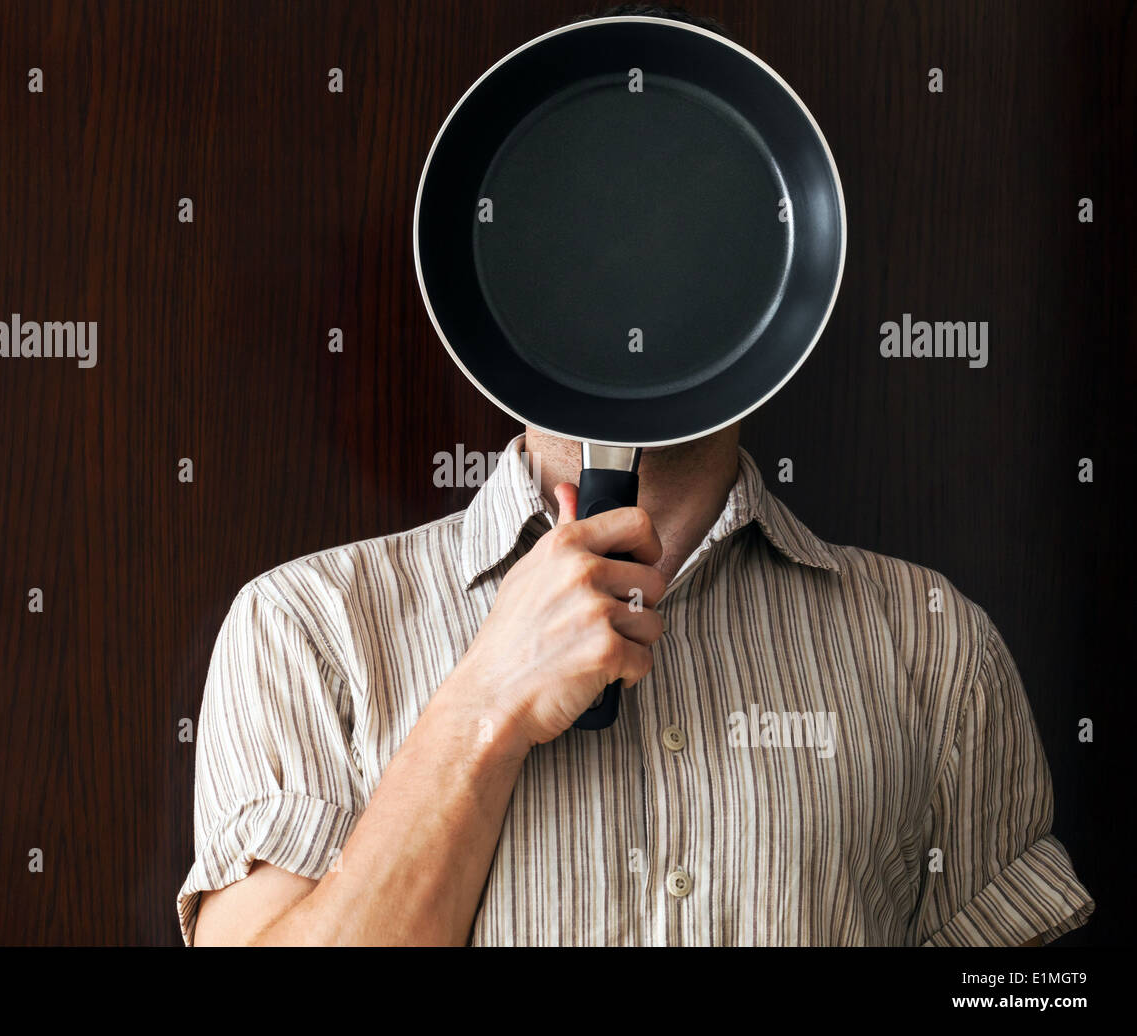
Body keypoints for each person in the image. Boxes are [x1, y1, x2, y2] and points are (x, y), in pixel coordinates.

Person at [176, 5, 1094, 947]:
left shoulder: (930, 646)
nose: (629, 250)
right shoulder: (308, 627)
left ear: (766, 275)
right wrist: (487, 704)